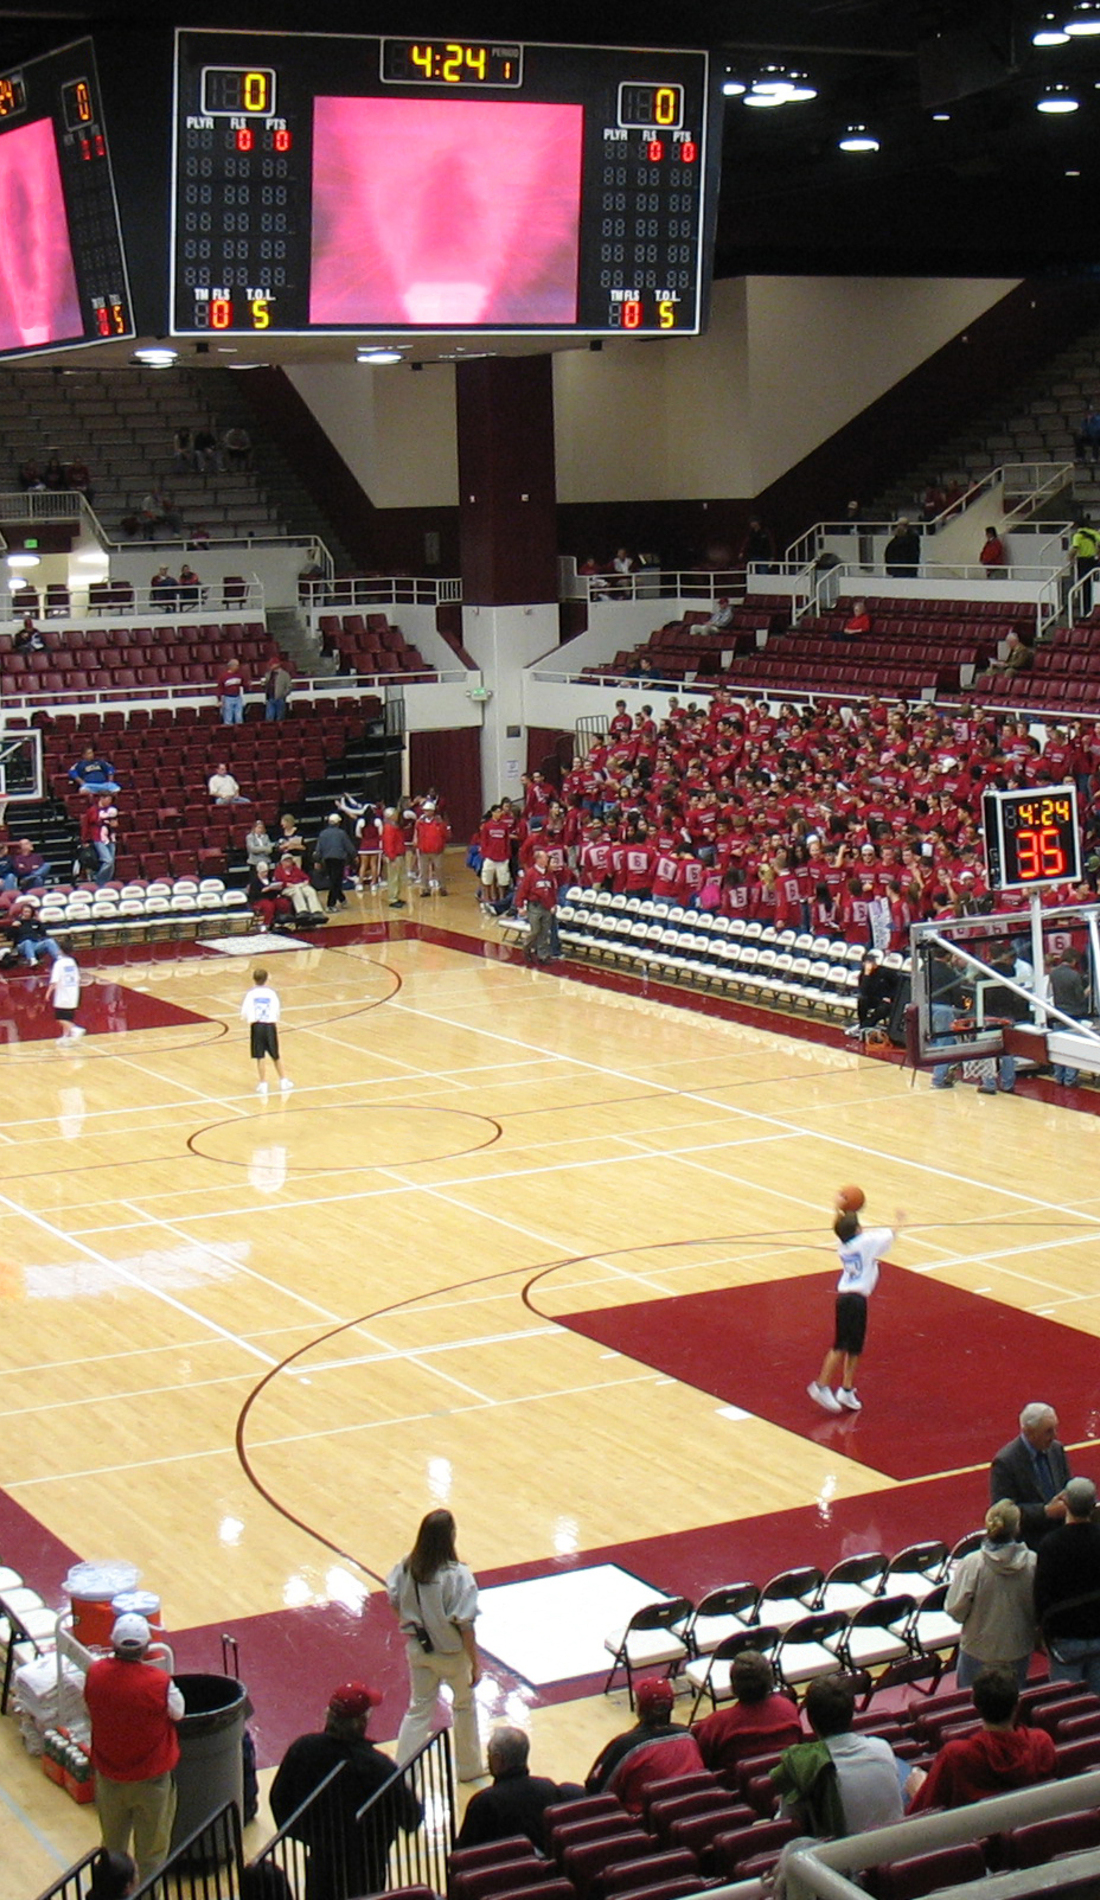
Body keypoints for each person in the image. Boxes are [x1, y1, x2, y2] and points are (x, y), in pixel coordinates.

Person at [269, 1682, 420, 1900]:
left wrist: (308, 1837)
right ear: (361, 1722)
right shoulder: (379, 1767)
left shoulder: (303, 1749)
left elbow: (279, 1800)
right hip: (368, 1866)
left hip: (322, 1860)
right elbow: (411, 1818)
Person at [83, 1612, 183, 1884]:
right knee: (151, 1853)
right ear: (146, 1647)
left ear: (113, 1643)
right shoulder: (160, 1683)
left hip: (109, 1777)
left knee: (113, 1849)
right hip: (152, 1781)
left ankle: (109, 1892)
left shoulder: (95, 1674)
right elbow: (178, 1712)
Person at [386, 1508, 483, 1782]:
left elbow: (393, 1599)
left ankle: (402, 1773)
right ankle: (469, 1767)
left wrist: (412, 1624)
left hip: (418, 1648)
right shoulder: (458, 1575)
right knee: (464, 1706)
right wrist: (476, 1663)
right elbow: (466, 1625)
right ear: (450, 1537)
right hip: (452, 1654)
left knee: (418, 1708)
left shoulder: (406, 1566)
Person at [770, 1672, 904, 1838]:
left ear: (810, 1721)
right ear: (852, 1713)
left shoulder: (803, 1768)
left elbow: (785, 1824)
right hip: (896, 1850)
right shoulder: (882, 1748)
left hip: (841, 1859)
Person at [907, 1666, 1055, 1812]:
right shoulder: (1042, 1742)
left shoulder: (956, 1754)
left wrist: (918, 1789)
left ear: (974, 1703)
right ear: (1018, 1703)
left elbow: (924, 1810)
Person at [807, 1200, 901, 1414]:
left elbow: (843, 1228)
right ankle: (821, 1385)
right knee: (841, 1346)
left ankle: (846, 1390)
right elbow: (889, 1235)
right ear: (857, 1230)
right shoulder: (865, 1243)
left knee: (854, 1347)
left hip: (847, 1299)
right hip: (854, 1300)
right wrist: (899, 1221)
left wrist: (839, 1209)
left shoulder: (845, 1244)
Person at [944, 1499, 1037, 1689]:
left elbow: (955, 1609)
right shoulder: (1033, 1562)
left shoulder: (973, 1563)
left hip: (978, 1649)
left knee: (969, 1708)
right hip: (1017, 1648)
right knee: (1010, 1706)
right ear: (1017, 1527)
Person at [585, 1677, 704, 1815]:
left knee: (567, 1791)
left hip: (640, 1825)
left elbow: (596, 1790)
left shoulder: (626, 1746)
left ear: (640, 1708)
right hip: (690, 1813)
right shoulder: (688, 1736)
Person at [455, 1726, 583, 1851]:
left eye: (489, 1754)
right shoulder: (548, 1787)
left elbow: (466, 1854)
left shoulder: (484, 1802)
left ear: (497, 1759)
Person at [1035, 1475, 1100, 1693]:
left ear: (1066, 1504)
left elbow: (1041, 1595)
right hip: (1097, 1632)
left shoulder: (1050, 1545)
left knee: (1067, 1704)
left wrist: (1042, 1632)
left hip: (1065, 1637)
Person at [692, 1649, 801, 1773]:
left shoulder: (716, 1725)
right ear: (770, 1681)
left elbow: (700, 1761)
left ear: (733, 1687)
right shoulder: (788, 1709)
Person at [990, 1402, 1071, 1550]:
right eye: (1048, 1431)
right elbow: (1003, 1513)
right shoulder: (1005, 1462)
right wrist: (1045, 1512)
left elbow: (1067, 1485)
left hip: (1062, 1540)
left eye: (1054, 1429)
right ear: (1028, 1432)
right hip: (1029, 1547)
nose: (1054, 1436)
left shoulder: (1056, 1450)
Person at [241, 966, 292, 1095]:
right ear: (266, 979)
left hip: (257, 1025)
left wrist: (248, 1018)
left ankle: (263, 1083)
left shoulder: (251, 994)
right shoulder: (271, 993)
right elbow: (276, 1008)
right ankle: (283, 1080)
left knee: (260, 1056)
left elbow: (245, 1011)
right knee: (275, 1054)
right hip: (269, 1025)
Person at [1049, 949, 1089, 1085]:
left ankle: (1058, 1076)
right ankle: (1070, 1079)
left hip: (1058, 1013)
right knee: (1072, 1048)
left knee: (1058, 1047)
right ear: (1073, 960)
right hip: (1074, 1014)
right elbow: (1079, 997)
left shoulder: (1053, 973)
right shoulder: (1074, 975)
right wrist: (1089, 990)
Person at [515, 847, 558, 964]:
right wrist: (520, 906)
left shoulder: (549, 874)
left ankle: (542, 955)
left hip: (547, 907)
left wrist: (554, 904)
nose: (547, 859)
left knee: (544, 932)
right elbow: (523, 890)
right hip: (535, 906)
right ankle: (526, 947)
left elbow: (552, 891)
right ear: (538, 859)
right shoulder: (531, 874)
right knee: (535, 930)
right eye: (545, 857)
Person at [315, 812, 357, 911]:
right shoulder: (341, 833)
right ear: (338, 823)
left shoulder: (323, 833)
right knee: (335, 881)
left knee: (335, 881)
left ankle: (342, 900)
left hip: (327, 860)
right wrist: (354, 856)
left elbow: (318, 848)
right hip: (338, 859)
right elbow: (348, 846)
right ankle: (330, 904)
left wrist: (317, 860)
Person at [48, 939, 85, 1045]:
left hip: (63, 994)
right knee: (68, 1017)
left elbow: (54, 981)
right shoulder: (72, 961)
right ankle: (65, 1037)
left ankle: (75, 1029)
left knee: (60, 1018)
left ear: (60, 950)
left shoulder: (59, 963)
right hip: (74, 993)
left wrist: (48, 993)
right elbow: (78, 978)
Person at [81, 793, 118, 886]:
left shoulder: (111, 810)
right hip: (98, 837)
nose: (109, 802)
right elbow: (86, 825)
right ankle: (99, 881)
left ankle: (107, 882)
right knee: (107, 860)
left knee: (111, 862)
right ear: (102, 798)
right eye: (108, 799)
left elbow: (115, 823)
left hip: (110, 837)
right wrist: (85, 840)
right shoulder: (93, 810)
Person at [415, 803, 449, 896]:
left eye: (428, 810)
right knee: (423, 871)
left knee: (439, 870)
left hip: (437, 850)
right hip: (424, 849)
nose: (426, 812)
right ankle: (425, 889)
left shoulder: (439, 822)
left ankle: (442, 887)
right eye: (425, 810)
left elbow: (445, 835)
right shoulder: (420, 822)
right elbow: (417, 833)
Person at [382, 806, 408, 909]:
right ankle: (392, 898)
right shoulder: (389, 828)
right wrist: (391, 856)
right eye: (396, 814)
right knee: (393, 878)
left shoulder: (395, 826)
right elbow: (388, 843)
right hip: (395, 856)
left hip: (400, 854)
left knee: (398, 878)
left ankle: (396, 896)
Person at [216, 655, 248, 724]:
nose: (238, 667)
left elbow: (243, 684)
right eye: (237, 665)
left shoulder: (240, 675)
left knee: (239, 717)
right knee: (228, 718)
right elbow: (220, 688)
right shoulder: (223, 676)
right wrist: (219, 700)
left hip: (238, 697)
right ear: (232, 666)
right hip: (228, 698)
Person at [261, 656, 292, 722]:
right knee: (269, 718)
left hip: (280, 699)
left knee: (280, 718)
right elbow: (265, 685)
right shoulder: (268, 674)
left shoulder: (285, 675)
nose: (270, 666)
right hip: (270, 698)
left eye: (272, 664)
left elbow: (289, 687)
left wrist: (283, 695)